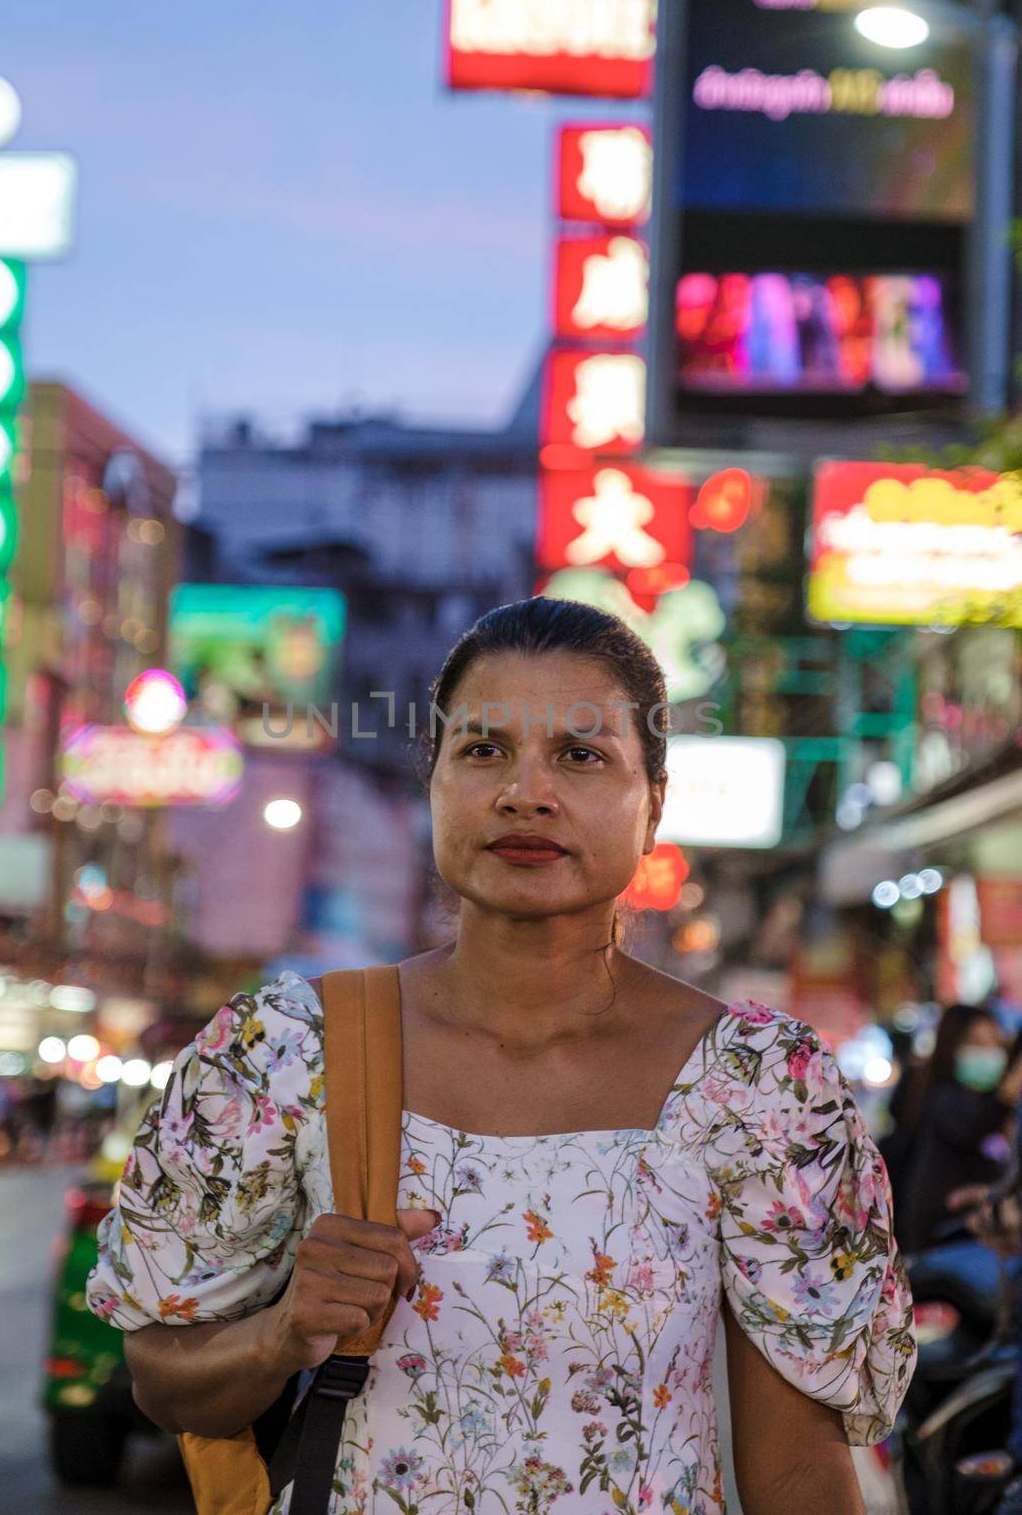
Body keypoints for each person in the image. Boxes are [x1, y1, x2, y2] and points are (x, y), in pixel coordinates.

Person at [87, 598, 915, 1515]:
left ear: (652, 808)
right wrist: (284, 1332)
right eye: (482, 751)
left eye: (581, 756)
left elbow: (796, 1469)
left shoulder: (760, 1089)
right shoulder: (280, 1057)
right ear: (432, 782)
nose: (526, 792)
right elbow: (163, 1382)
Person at [894, 1004, 1022, 1254]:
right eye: (977, 1042)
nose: (989, 1052)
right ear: (952, 1047)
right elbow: (972, 1129)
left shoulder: (1000, 1110)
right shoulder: (943, 1100)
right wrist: (1007, 1093)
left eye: (996, 1043)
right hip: (942, 1245)